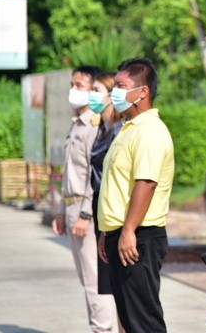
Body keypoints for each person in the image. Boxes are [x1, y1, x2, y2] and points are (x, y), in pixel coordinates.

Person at [97, 58, 174, 333]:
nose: (114, 93)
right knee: (129, 320)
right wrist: (108, 231)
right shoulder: (128, 128)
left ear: (142, 91)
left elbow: (146, 183)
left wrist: (128, 230)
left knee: (144, 321)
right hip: (122, 234)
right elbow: (117, 186)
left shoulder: (149, 130)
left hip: (139, 235)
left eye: (121, 86)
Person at [52, 65, 119, 333]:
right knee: (86, 278)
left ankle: (102, 329)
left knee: (94, 280)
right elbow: (69, 172)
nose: (75, 90)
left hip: (85, 210)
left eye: (81, 86)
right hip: (71, 206)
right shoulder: (77, 124)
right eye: (73, 85)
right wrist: (61, 210)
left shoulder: (94, 125)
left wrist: (85, 214)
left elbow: (96, 173)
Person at [88, 71, 125, 332]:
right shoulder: (103, 128)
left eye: (96, 90)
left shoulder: (119, 130)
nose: (91, 95)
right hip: (101, 210)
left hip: (115, 212)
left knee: (123, 292)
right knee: (112, 287)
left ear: (111, 95)